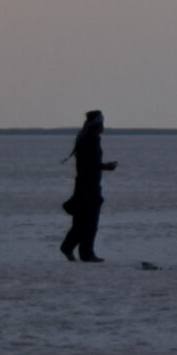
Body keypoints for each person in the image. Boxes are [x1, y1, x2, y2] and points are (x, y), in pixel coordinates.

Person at [60, 110, 115, 262]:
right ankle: (84, 253)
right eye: (102, 123)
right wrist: (106, 167)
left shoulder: (87, 138)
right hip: (88, 187)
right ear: (96, 125)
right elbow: (89, 165)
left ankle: (75, 249)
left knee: (83, 222)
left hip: (87, 185)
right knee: (89, 222)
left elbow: (89, 164)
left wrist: (103, 167)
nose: (104, 126)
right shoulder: (89, 140)